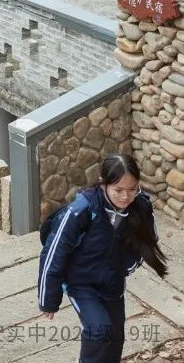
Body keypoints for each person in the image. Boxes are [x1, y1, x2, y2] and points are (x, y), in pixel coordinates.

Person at [39, 154, 167, 363]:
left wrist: (123, 268)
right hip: (81, 284)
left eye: (132, 189)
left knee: (115, 340)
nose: (126, 197)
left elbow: (148, 240)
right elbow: (54, 253)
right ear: (103, 183)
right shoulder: (82, 210)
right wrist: (48, 300)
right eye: (118, 190)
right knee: (99, 331)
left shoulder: (140, 207)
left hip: (113, 285)